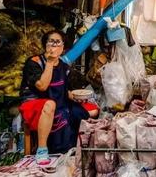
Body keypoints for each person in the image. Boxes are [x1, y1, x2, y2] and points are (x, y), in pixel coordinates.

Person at [19, 30, 99, 165]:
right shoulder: (34, 62)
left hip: (59, 102)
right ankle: (42, 150)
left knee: (92, 111)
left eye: (58, 42)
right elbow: (42, 86)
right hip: (34, 104)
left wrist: (76, 97)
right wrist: (49, 63)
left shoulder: (64, 66)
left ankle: (76, 148)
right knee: (50, 105)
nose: (54, 45)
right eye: (51, 41)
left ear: (63, 48)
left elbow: (64, 90)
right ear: (45, 44)